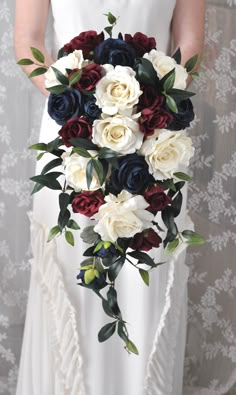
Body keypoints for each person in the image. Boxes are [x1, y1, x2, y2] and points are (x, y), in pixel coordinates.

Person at [14, 1, 205, 394]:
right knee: (73, 281)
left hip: (155, 137)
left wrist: (152, 105)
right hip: (73, 137)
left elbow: (190, 41)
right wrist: (82, 105)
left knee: (144, 282)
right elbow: (28, 42)